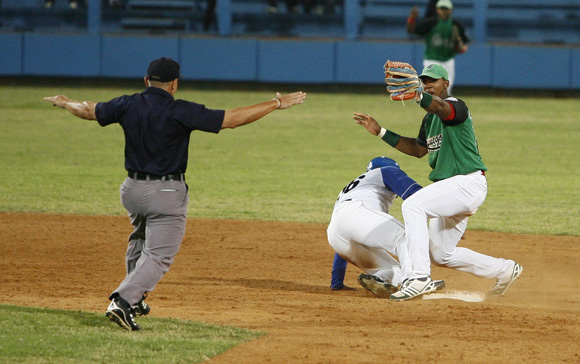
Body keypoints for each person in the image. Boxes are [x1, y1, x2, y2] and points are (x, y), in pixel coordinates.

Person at [43, 57, 307, 330]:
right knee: (158, 254)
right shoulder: (180, 110)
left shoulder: (127, 103)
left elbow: (88, 110)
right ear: (174, 85)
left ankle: (134, 297)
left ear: (147, 81)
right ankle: (122, 301)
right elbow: (232, 119)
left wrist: (64, 102)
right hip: (165, 192)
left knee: (140, 239)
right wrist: (276, 103)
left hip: (132, 190)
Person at [353, 63, 522, 301]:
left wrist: (420, 96)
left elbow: (443, 108)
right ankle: (504, 270)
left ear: (446, 83)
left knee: (413, 205)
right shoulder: (429, 120)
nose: (428, 84)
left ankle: (419, 278)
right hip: (452, 189)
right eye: (424, 81)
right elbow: (418, 149)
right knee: (442, 253)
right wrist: (381, 131)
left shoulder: (456, 107)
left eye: (433, 80)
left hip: (467, 183)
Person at [327, 156, 444, 297]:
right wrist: (444, 218)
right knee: (408, 237)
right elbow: (418, 197)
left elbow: (347, 228)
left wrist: (336, 282)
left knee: (394, 269)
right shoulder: (387, 171)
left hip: (335, 234)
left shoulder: (359, 187)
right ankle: (414, 281)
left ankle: (382, 278)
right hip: (356, 213)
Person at [406, 0, 469, 94]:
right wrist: (412, 18)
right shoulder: (430, 23)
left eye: (446, 9)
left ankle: (444, 107)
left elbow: (464, 45)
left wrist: (461, 47)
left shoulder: (456, 25)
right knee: (431, 86)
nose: (444, 11)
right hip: (432, 58)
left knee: (447, 87)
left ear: (451, 10)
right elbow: (411, 30)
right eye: (442, 9)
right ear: (437, 10)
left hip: (448, 59)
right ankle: (430, 106)